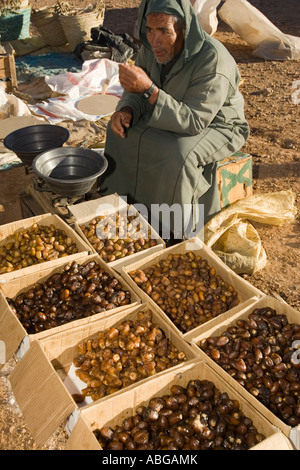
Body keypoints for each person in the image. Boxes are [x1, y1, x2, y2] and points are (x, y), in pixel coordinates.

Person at [101, 0, 249, 240]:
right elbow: (136, 91)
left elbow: (193, 121)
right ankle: (124, 209)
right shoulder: (152, 48)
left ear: (184, 30)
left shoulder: (213, 60)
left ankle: (176, 232)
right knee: (121, 133)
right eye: (149, 30)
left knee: (179, 155)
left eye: (164, 31)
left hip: (217, 124)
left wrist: (149, 90)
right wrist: (126, 109)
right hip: (168, 109)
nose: (154, 40)